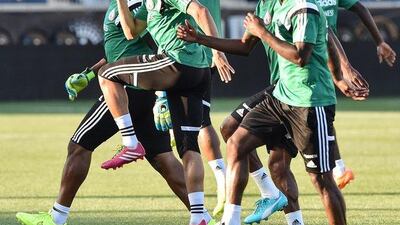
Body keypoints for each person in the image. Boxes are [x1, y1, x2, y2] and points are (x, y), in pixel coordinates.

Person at [14, 1, 216, 225]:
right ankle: (202, 215)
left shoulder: (143, 4)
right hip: (135, 88)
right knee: (162, 158)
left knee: (79, 146)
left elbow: (159, 43)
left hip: (128, 92)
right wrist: (90, 74)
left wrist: (162, 93)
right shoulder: (120, 4)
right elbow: (120, 48)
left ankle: (56, 217)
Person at [179, 0, 356, 223]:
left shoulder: (304, 8)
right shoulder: (267, 5)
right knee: (236, 141)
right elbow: (245, 46)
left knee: (321, 180)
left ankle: (288, 212)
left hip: (310, 102)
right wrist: (200, 39)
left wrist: (262, 31)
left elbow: (301, 57)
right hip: (280, 96)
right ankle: (232, 218)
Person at [95, 0, 234, 224]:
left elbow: (200, 11)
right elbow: (131, 32)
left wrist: (218, 52)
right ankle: (198, 215)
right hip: (197, 72)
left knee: (107, 74)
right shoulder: (145, 4)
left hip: (177, 63)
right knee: (188, 145)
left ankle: (131, 143)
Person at [317, 0, 397, 188]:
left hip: (327, 56)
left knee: (321, 112)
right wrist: (345, 68)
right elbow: (322, 27)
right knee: (315, 112)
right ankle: (337, 169)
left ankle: (337, 169)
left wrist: (380, 41)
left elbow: (358, 7)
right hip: (307, 54)